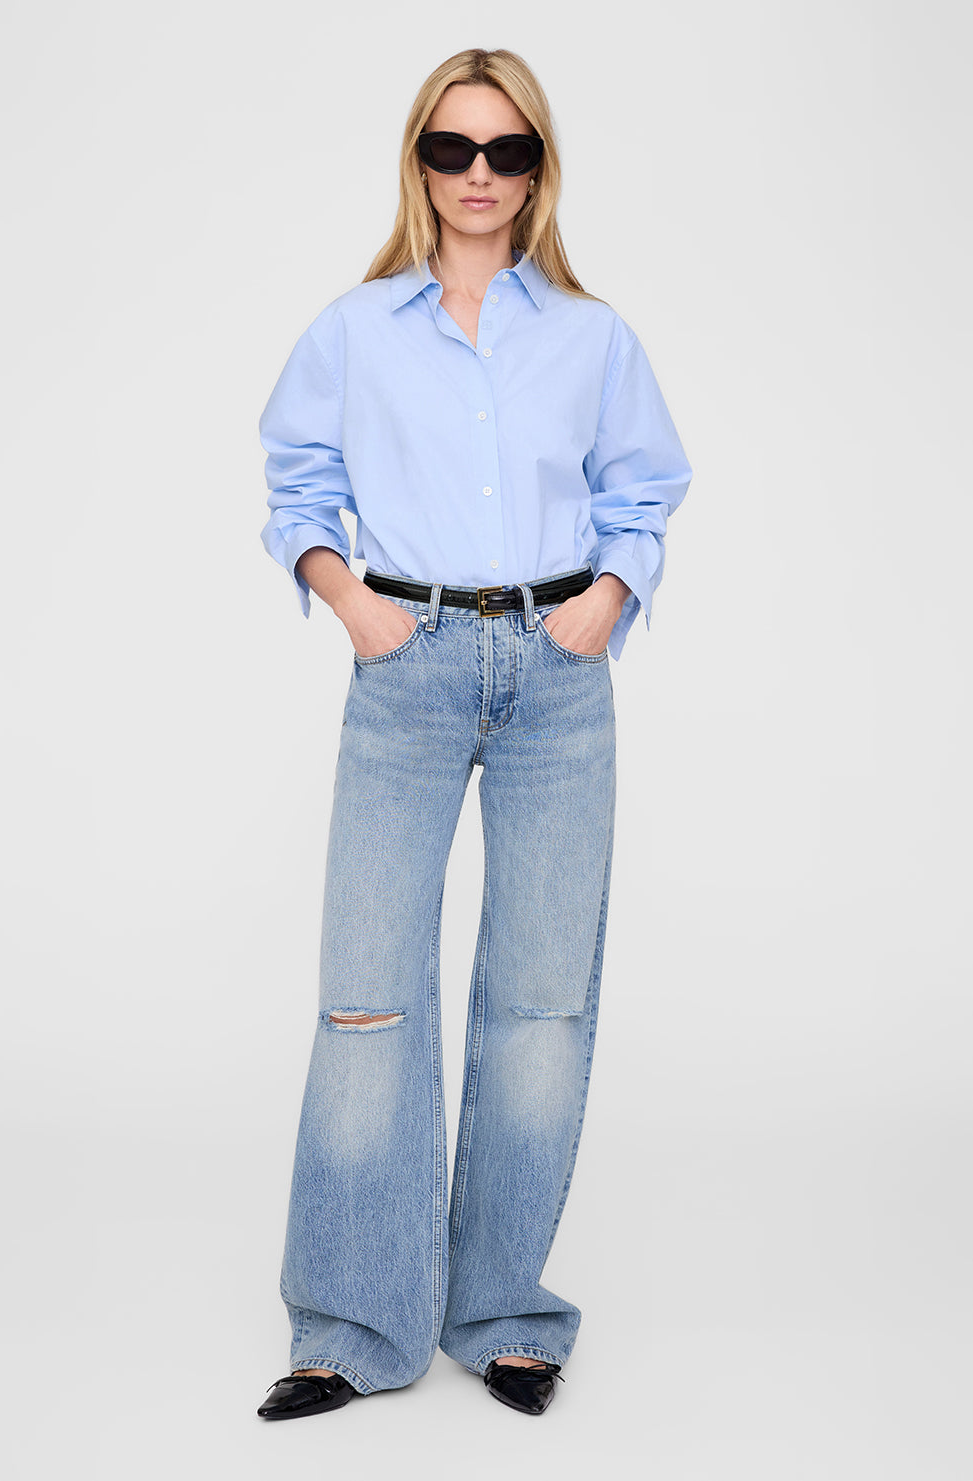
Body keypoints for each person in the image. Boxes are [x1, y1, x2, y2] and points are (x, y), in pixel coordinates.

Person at [254, 46, 692, 1420]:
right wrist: (354, 607)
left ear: (539, 167)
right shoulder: (355, 330)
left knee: (542, 1004)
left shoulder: (592, 336)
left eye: (509, 150)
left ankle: (503, 1310)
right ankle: (349, 1325)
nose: (481, 174)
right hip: (411, 659)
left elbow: (645, 489)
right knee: (368, 994)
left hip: (559, 669)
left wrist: (606, 600)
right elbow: (296, 484)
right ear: (420, 161)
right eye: (454, 148)